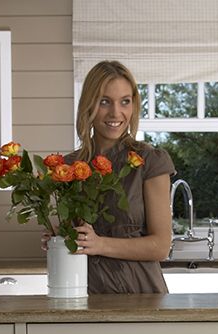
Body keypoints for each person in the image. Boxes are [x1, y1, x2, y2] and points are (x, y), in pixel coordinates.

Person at [60, 60, 175, 293]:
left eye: (125, 102)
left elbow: (161, 246)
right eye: (105, 102)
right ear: (89, 105)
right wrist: (58, 240)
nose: (116, 113)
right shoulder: (69, 167)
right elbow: (77, 237)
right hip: (82, 291)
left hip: (139, 293)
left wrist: (100, 244)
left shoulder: (149, 161)